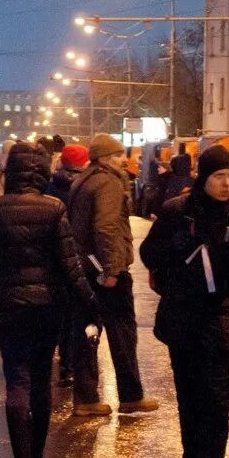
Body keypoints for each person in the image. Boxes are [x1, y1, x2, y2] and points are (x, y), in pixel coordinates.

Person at [0, 143, 98, 458]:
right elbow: (70, 264)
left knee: (16, 379)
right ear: (39, 172)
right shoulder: (54, 208)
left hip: (10, 303)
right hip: (48, 305)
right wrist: (90, 303)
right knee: (41, 379)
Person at [139, 146, 229, 458]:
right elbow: (148, 252)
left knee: (217, 403)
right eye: (218, 177)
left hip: (224, 319)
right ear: (202, 178)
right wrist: (173, 254)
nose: (226, 184)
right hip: (184, 320)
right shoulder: (178, 212)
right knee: (190, 400)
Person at [67, 133, 157, 416]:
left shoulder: (84, 180)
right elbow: (106, 228)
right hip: (105, 270)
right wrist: (112, 270)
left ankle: (85, 398)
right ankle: (131, 395)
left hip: (86, 266)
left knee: (87, 332)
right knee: (122, 332)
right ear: (105, 158)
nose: (124, 159)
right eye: (119, 155)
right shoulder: (108, 182)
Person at [47, 143, 89, 387]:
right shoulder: (85, 186)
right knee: (77, 312)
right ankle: (69, 365)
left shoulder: (51, 184)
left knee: (59, 311)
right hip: (79, 254)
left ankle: (58, 364)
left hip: (54, 255)